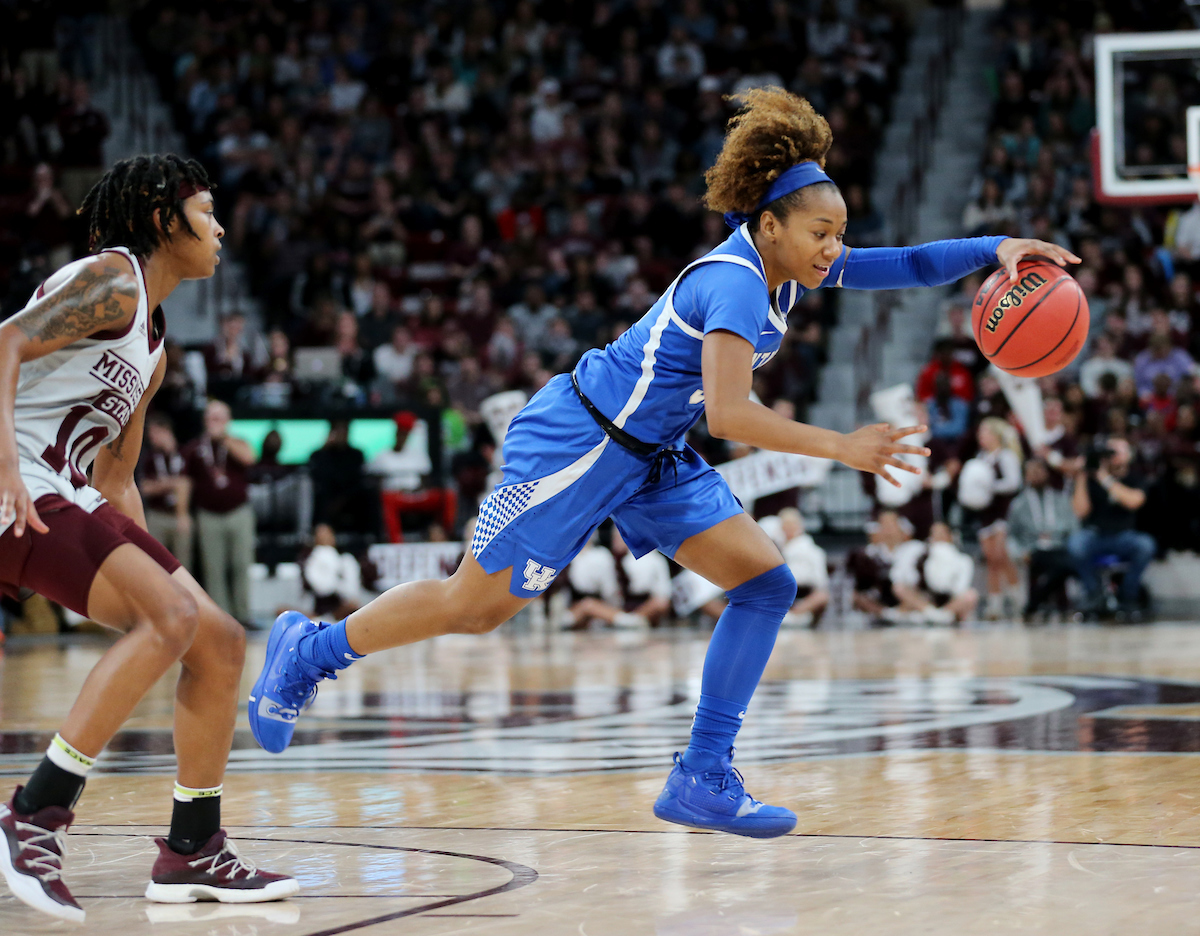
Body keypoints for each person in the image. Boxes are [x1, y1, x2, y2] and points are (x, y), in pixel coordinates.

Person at [248, 88, 1077, 839]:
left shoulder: (789, 270)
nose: (835, 248)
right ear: (771, 225)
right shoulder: (736, 283)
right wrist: (842, 446)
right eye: (822, 233)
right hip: (580, 441)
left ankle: (701, 775)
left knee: (766, 583)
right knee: (474, 608)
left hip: (651, 452)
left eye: (839, 234)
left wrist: (997, 246)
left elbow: (909, 264)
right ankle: (310, 652)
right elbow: (731, 415)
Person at [0, 155, 295, 922]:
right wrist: (6, 468)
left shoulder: (155, 348)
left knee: (216, 638)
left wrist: (157, 573)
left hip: (61, 487)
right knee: (169, 617)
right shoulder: (112, 280)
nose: (220, 229)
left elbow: (117, 476)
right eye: (206, 213)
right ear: (165, 220)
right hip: (15, 479)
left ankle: (192, 846)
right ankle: (34, 814)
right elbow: (2, 345)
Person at [183, 399, 256, 624]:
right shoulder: (195, 448)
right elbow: (185, 482)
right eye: (211, 418)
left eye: (219, 418)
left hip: (238, 512)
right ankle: (222, 618)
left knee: (241, 564)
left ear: (227, 421)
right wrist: (183, 513)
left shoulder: (237, 442)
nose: (214, 422)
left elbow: (249, 458)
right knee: (213, 568)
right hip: (208, 514)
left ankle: (243, 614)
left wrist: (225, 438)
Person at [1068, 437, 1157, 620]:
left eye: (1118, 451)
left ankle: (1128, 595)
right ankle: (1094, 593)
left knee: (1146, 545)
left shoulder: (1135, 477)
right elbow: (1080, 511)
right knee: (1075, 544)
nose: (1114, 456)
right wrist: (1082, 476)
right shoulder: (1090, 479)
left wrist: (1104, 478)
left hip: (1124, 536)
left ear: (1129, 456)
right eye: (1110, 452)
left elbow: (1134, 501)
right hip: (1096, 535)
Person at [958, 417, 1023, 619]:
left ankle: (1018, 599)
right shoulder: (981, 458)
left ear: (996, 435)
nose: (981, 436)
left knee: (1000, 555)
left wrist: (989, 486)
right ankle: (995, 604)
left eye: (985, 432)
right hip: (985, 513)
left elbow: (1013, 483)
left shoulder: (1006, 456)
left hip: (1003, 513)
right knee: (991, 559)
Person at [1007, 458, 1077, 620]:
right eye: (1032, 472)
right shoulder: (1018, 504)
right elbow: (1011, 533)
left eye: (1039, 470)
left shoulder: (1060, 499)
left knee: (1064, 562)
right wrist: (1019, 552)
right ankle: (1050, 604)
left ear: (1047, 473)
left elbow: (1073, 527)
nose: (1036, 475)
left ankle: (1034, 604)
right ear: (1026, 476)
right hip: (1033, 548)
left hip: (1059, 546)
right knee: (1058, 564)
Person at [566, 527, 673, 629]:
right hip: (610, 606)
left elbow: (663, 594)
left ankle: (631, 620)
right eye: (615, 537)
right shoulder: (606, 557)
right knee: (588, 605)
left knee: (660, 603)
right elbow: (610, 592)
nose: (616, 541)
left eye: (619, 537)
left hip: (638, 606)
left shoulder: (652, 560)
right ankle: (628, 621)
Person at [889, 522, 978, 625]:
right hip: (926, 599)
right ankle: (931, 614)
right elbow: (909, 578)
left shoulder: (963, 559)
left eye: (941, 533)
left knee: (971, 595)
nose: (937, 536)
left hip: (948, 600)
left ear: (950, 536)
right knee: (899, 588)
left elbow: (960, 588)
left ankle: (943, 616)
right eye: (934, 533)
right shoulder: (920, 553)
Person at [137, 412, 193, 573]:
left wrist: (162, 485)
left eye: (154, 432)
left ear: (166, 430)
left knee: (183, 565)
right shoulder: (149, 457)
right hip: (158, 516)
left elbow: (187, 484)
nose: (151, 437)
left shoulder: (185, 453)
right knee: (155, 565)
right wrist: (172, 483)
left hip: (180, 516)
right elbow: (145, 488)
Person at [777, 508, 829, 627]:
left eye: (792, 525)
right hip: (780, 592)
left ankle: (794, 615)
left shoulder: (813, 550)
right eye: (786, 525)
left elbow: (821, 581)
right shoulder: (775, 548)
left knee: (822, 596)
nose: (789, 529)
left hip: (803, 592)